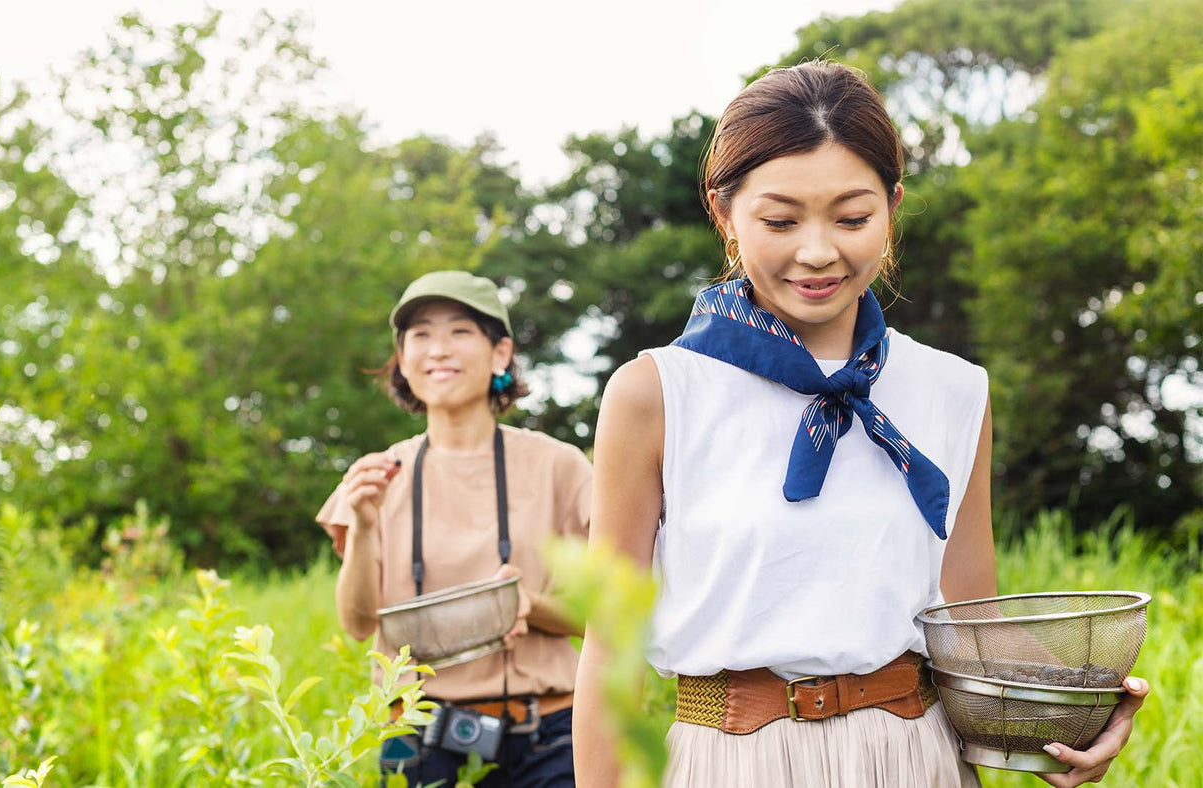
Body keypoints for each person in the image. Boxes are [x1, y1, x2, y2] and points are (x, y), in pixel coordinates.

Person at [572, 61, 1149, 788]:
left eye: (851, 218)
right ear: (724, 214)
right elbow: (610, 647)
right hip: (732, 762)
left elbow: (968, 625)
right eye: (780, 221)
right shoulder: (657, 392)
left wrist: (1075, 718)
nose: (819, 252)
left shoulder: (954, 389)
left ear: (893, 206)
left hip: (915, 758)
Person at [316, 270, 592, 788]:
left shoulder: (560, 466)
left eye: (460, 331)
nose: (438, 349)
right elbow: (356, 624)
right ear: (402, 359)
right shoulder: (376, 476)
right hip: (415, 735)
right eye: (420, 334)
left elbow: (602, 613)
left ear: (500, 352)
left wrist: (530, 604)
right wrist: (366, 526)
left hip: (549, 735)